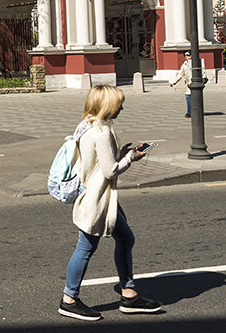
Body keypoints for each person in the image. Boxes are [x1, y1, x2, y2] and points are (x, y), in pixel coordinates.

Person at [59, 85, 162, 321]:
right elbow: (110, 171)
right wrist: (131, 157)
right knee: (86, 248)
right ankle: (69, 299)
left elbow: (96, 162)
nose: (122, 108)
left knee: (125, 239)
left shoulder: (86, 125)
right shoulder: (102, 132)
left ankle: (129, 294)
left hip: (100, 196)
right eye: (119, 104)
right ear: (108, 105)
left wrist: (119, 152)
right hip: (98, 198)